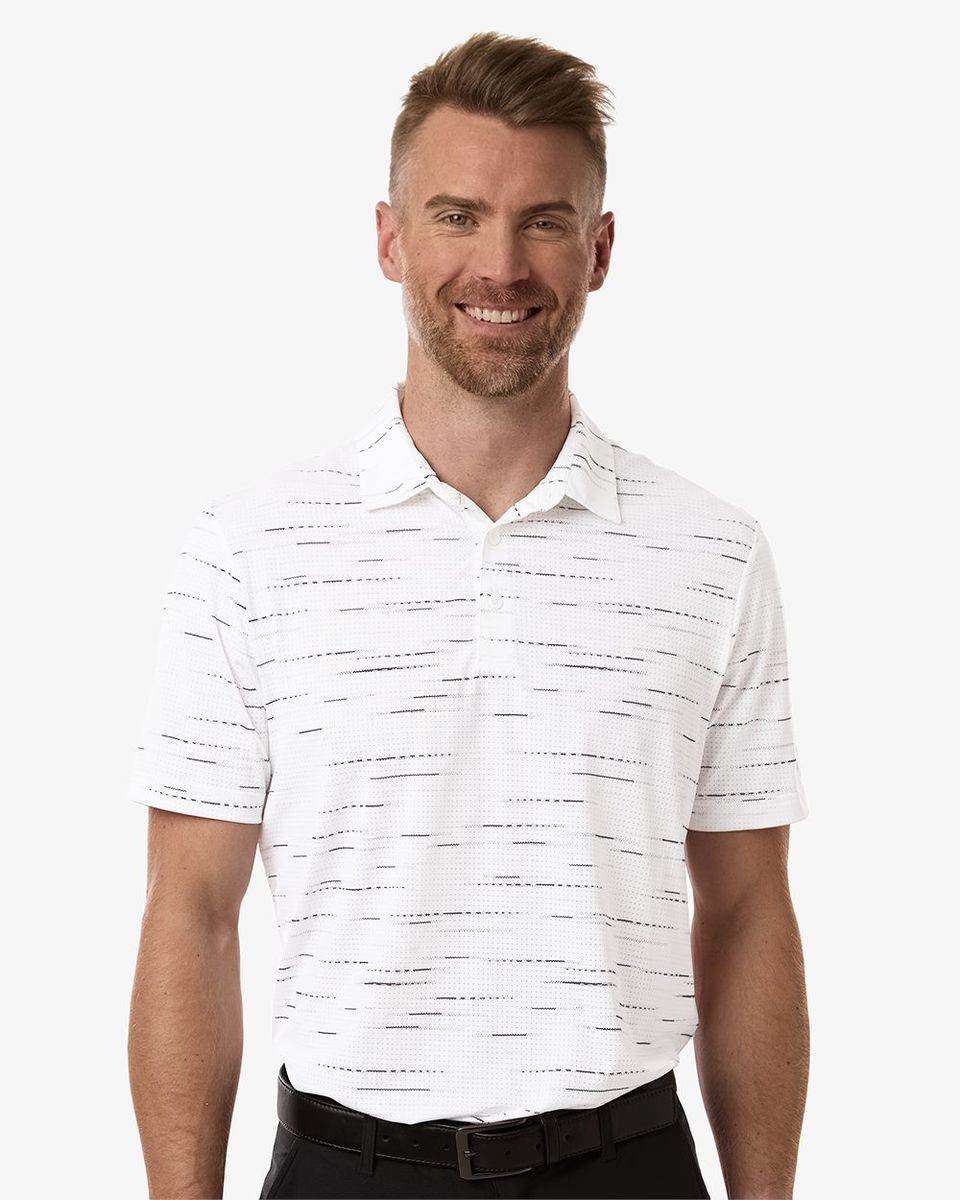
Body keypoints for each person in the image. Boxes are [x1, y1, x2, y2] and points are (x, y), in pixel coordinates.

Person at [127, 30, 810, 1200]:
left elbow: (749, 911)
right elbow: (190, 914)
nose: (500, 266)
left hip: (627, 1167)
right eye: (457, 216)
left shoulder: (713, 555)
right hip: (347, 1167)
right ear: (389, 238)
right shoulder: (249, 549)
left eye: (544, 221)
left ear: (599, 251)